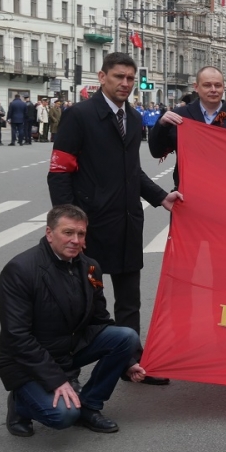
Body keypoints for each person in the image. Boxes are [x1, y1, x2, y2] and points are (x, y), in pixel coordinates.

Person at [48, 51, 182, 386]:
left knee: (129, 300)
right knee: (82, 301)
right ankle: (66, 371)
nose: (125, 83)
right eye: (118, 77)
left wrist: (160, 197)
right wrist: (68, 224)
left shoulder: (134, 119)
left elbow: (131, 171)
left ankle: (130, 361)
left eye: (130, 79)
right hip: (89, 225)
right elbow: (60, 172)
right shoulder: (79, 116)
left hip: (126, 220)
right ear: (102, 77)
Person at [0, 204, 149, 437]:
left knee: (125, 337)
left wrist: (127, 361)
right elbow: (17, 337)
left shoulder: (90, 267)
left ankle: (89, 405)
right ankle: (20, 402)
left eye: (81, 234)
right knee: (62, 415)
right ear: (49, 233)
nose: (75, 240)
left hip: (68, 348)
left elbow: (100, 320)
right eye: (68, 232)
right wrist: (57, 381)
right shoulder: (20, 270)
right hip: (27, 360)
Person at [149, 65, 226, 188]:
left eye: (218, 85)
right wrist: (161, 125)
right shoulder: (179, 115)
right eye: (207, 85)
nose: (213, 89)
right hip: (188, 193)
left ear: (223, 88)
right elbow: (157, 152)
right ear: (196, 87)